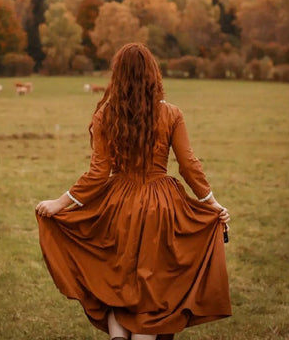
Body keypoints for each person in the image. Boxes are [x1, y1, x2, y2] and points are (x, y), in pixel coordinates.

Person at [35, 43, 231, 340]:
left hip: (118, 206)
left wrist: (60, 204)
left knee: (117, 279)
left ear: (118, 76)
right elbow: (188, 166)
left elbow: (98, 174)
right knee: (153, 285)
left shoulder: (105, 115)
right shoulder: (171, 114)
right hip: (162, 206)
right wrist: (212, 204)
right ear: (154, 75)